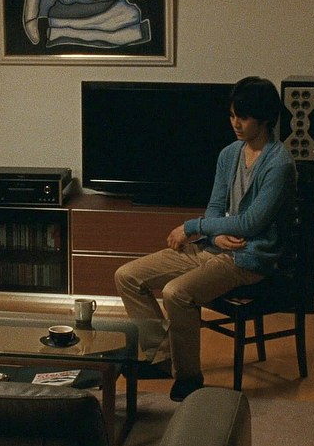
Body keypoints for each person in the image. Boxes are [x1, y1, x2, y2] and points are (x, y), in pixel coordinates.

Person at [114, 76, 297, 401]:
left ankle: (189, 377)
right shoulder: (229, 154)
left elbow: (253, 223)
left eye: (243, 117)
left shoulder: (279, 164)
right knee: (127, 276)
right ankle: (160, 358)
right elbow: (215, 205)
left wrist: (193, 227)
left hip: (249, 256)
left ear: (265, 118)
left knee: (176, 293)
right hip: (215, 246)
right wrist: (217, 232)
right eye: (232, 115)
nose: (235, 123)